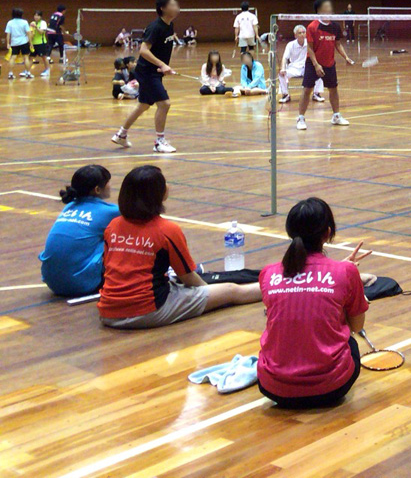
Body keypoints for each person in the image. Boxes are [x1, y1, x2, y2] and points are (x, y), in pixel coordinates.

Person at [99, 165, 262, 328]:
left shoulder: (113, 226)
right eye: (164, 182)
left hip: (108, 311)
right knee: (230, 290)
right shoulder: (167, 230)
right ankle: (278, 286)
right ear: (157, 193)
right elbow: (189, 278)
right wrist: (207, 294)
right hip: (147, 311)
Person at [258, 198, 371, 409]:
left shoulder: (268, 273)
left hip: (273, 387)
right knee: (349, 341)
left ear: (290, 232)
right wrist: (349, 286)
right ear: (327, 233)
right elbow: (356, 327)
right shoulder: (346, 272)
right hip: (331, 387)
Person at [111, 0, 179, 154]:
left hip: (154, 71)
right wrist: (162, 64)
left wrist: (164, 67)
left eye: (177, 4)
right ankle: (159, 142)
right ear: (163, 8)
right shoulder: (155, 27)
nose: (177, 7)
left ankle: (121, 134)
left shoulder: (170, 25)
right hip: (147, 72)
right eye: (173, 5)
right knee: (164, 104)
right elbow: (143, 50)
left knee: (143, 105)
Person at [39, 165, 119, 297]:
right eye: (107, 183)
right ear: (97, 189)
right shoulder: (110, 211)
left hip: (52, 282)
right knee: (122, 237)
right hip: (80, 284)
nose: (110, 186)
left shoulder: (70, 206)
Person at [297, 0, 354, 131]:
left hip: (329, 63)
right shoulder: (312, 27)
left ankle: (336, 116)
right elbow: (309, 48)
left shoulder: (335, 26)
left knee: (333, 89)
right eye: (326, 7)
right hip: (313, 63)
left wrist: (346, 57)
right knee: (307, 90)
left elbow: (337, 44)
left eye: (330, 7)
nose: (329, 9)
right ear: (319, 10)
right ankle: (300, 118)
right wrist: (316, 65)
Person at [279, 25, 323, 103]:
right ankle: (285, 95)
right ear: (295, 35)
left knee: (320, 71)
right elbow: (285, 58)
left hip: (307, 67)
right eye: (299, 33)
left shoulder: (310, 44)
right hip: (294, 68)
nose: (302, 34)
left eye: (303, 32)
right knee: (281, 74)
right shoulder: (290, 45)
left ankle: (316, 94)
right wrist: (283, 68)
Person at [5, 7, 32, 80]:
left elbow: (8, 34)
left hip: (14, 42)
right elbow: (28, 33)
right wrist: (31, 43)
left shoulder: (10, 22)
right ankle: (28, 73)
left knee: (13, 57)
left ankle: (10, 74)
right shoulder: (25, 22)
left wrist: (8, 43)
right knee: (26, 57)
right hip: (24, 42)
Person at [29, 10, 51, 77]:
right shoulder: (32, 23)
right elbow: (31, 33)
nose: (36, 17)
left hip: (41, 43)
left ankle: (47, 70)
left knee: (44, 57)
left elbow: (41, 32)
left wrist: (35, 27)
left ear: (40, 17)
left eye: (38, 15)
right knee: (31, 57)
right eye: (35, 15)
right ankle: (27, 70)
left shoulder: (43, 23)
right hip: (34, 43)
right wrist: (30, 43)